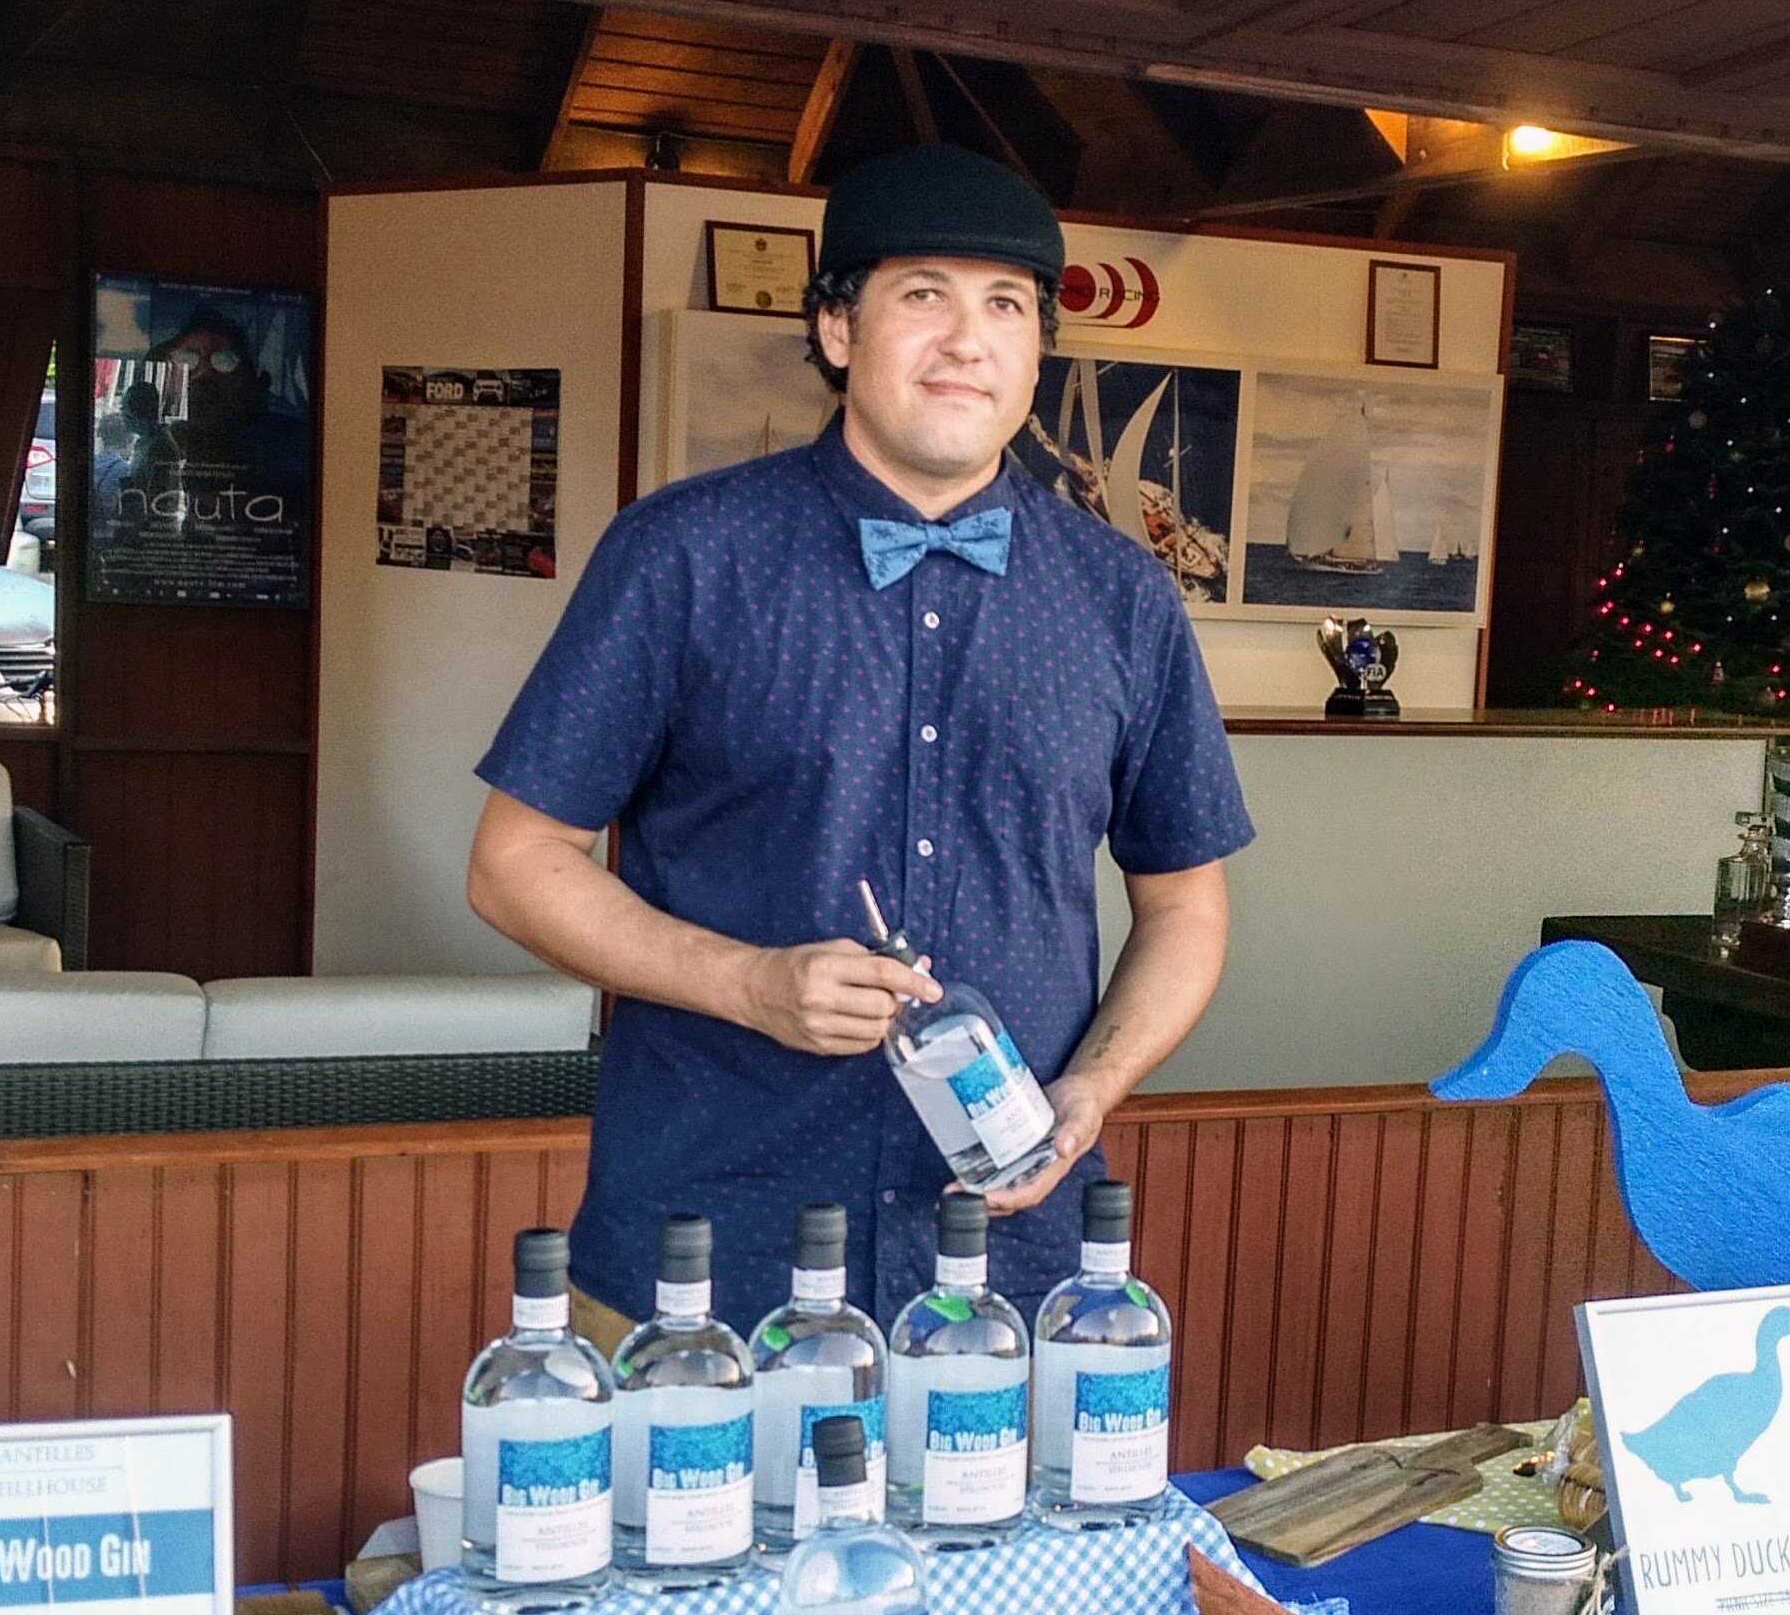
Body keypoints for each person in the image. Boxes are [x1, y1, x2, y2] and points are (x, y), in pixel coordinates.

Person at [469, 143, 1253, 1346]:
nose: (968, 340)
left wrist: (1092, 1088)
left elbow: (1187, 909)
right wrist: (750, 983)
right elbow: (515, 863)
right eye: (922, 295)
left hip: (1006, 1275)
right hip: (708, 1258)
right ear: (838, 328)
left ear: (1039, 349)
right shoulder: (681, 556)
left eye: (1006, 306)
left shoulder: (1122, 597)